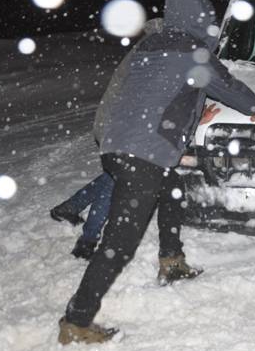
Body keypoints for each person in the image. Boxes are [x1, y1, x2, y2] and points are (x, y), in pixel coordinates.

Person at [58, 0, 255, 345]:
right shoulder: (191, 50)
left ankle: (172, 260)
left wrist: (195, 108)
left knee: (174, 188)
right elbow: (224, 84)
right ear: (200, 20)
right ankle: (77, 319)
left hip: (117, 146)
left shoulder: (149, 47)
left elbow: (159, 95)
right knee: (119, 244)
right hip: (144, 155)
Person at [50, 102, 221, 263]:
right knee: (113, 183)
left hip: (126, 129)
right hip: (130, 133)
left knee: (112, 177)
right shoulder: (159, 85)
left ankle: (71, 209)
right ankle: (87, 241)